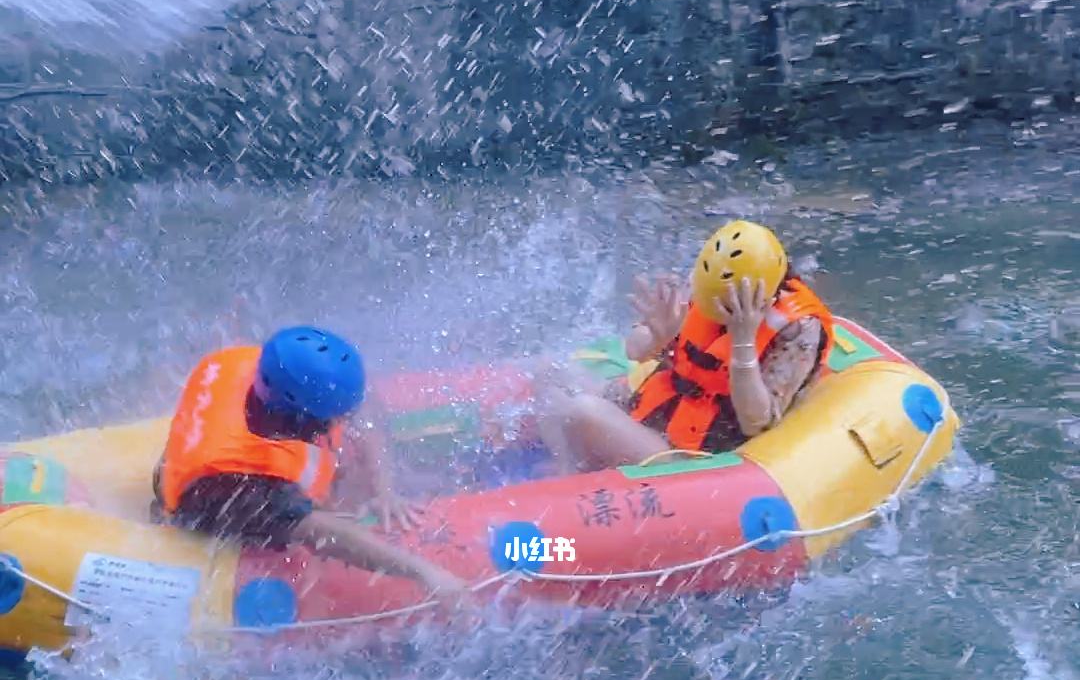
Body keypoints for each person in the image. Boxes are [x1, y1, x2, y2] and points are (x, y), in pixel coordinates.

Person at [153, 327, 464, 599]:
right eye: (338, 417)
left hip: (248, 464)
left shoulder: (262, 368)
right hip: (213, 510)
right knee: (337, 510)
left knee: (355, 475)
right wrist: (427, 573)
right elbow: (321, 534)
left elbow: (363, 407)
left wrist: (384, 490)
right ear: (298, 423)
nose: (348, 419)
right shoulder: (237, 486)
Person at [536, 221, 835, 470]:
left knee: (582, 411)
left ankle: (568, 478)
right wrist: (657, 336)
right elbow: (634, 352)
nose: (711, 306)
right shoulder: (707, 282)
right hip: (658, 407)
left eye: (724, 304)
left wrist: (743, 341)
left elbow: (756, 422)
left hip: (695, 451)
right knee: (549, 373)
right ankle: (567, 466)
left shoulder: (798, 329)